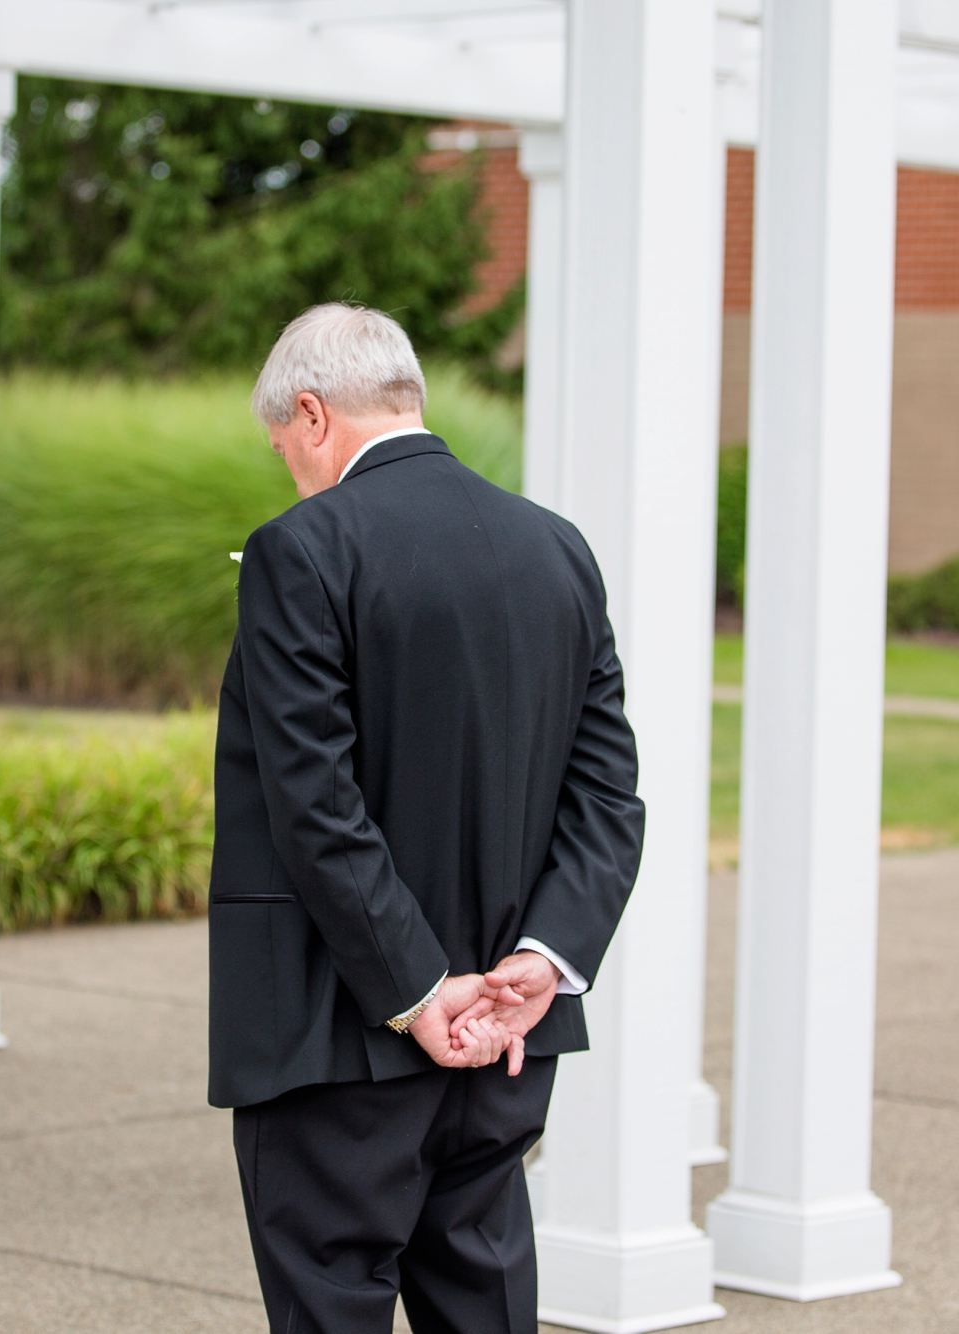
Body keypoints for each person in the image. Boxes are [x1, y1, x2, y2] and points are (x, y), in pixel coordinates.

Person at [207, 302, 645, 1334]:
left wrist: (415, 987)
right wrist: (544, 955)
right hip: (506, 1032)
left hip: (338, 1037)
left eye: (284, 449)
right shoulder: (556, 548)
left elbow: (314, 798)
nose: (291, 472)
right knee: (483, 1306)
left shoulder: (300, 550)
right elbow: (607, 794)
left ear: (310, 415)